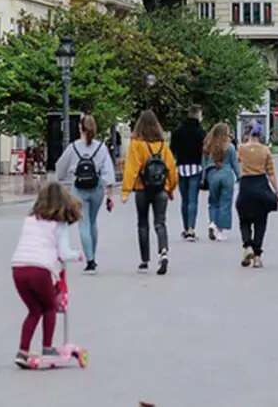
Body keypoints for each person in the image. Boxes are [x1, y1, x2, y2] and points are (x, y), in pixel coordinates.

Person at [10, 182, 82, 369]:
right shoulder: (59, 223)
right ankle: (47, 348)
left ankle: (22, 351)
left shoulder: (30, 219)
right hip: (39, 269)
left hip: (18, 268)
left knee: (34, 310)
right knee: (50, 307)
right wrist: (78, 255)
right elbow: (64, 253)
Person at [53, 114, 116, 273]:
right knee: (93, 222)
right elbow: (108, 172)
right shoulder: (101, 147)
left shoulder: (73, 147)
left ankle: (90, 261)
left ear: (80, 128)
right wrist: (109, 194)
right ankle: (92, 256)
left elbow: (60, 167)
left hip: (78, 189)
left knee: (84, 223)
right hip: (97, 189)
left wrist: (61, 178)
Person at [122, 110, 177, 275]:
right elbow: (171, 169)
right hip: (160, 189)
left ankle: (144, 261)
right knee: (160, 223)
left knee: (143, 224)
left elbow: (132, 168)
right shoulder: (162, 145)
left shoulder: (136, 144)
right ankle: (163, 251)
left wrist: (125, 191)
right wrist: (171, 188)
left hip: (142, 189)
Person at [235, 122, 278, 268]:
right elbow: (271, 173)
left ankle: (247, 246)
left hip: (246, 186)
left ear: (247, 133)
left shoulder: (241, 149)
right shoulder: (266, 150)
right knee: (261, 222)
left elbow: (237, 162)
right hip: (261, 185)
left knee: (244, 219)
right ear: (260, 134)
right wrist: (277, 191)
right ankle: (258, 257)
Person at [169, 110, 206, 241]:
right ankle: (191, 228)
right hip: (196, 167)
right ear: (198, 116)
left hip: (181, 167)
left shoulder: (178, 132)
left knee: (184, 200)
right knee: (193, 200)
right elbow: (204, 151)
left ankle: (185, 228)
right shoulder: (201, 133)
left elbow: (172, 149)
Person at [202, 122, 238, 241]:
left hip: (212, 175)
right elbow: (235, 164)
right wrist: (240, 177)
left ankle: (212, 222)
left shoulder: (208, 146)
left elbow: (204, 164)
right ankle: (220, 230)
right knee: (225, 203)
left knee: (213, 202)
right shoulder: (230, 147)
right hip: (227, 175)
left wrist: (203, 178)